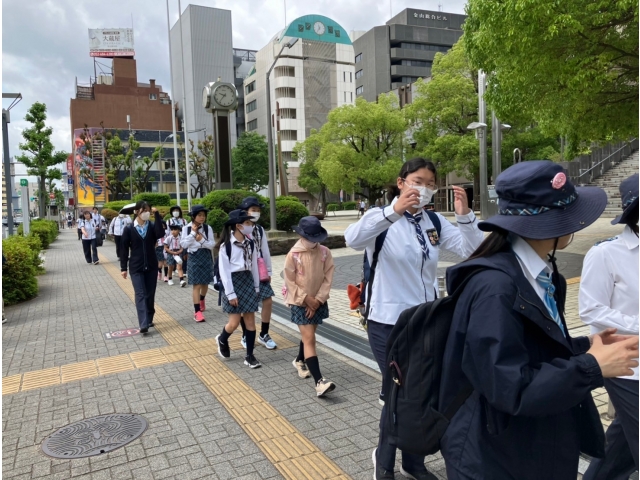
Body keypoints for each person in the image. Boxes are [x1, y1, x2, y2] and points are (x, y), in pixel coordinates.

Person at [438, 161, 639, 480]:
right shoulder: (495, 288)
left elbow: (535, 350)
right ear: (552, 223)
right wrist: (591, 366)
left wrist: (589, 346)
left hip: (532, 441)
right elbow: (509, 387)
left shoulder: (543, 276)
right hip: (497, 457)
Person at [344, 158, 483, 480]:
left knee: (422, 391)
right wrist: (393, 211)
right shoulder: (379, 219)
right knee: (398, 392)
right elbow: (352, 239)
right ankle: (385, 461)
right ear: (401, 182)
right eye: (418, 181)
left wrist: (465, 217)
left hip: (428, 320)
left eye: (431, 184)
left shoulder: (433, 220)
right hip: (387, 320)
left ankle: (413, 461)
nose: (424, 189)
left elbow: (471, 250)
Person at [581, 173, 639, 480]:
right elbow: (590, 308)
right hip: (626, 364)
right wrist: (637, 325)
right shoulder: (605, 253)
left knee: (622, 447)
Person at [284, 216, 336, 397]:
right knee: (310, 338)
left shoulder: (325, 252)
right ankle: (319, 382)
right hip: (300, 302)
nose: (313, 242)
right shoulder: (294, 254)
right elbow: (289, 281)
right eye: (310, 238)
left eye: (316, 238)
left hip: (318, 301)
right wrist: (307, 299)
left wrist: (318, 300)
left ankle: (299, 360)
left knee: (309, 335)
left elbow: (328, 277)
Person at [215, 209, 262, 368]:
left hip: (247, 281)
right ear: (238, 226)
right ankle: (222, 338)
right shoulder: (225, 247)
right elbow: (224, 272)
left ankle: (249, 356)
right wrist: (230, 293)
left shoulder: (251, 243)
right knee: (234, 322)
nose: (250, 225)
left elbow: (254, 266)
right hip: (233, 283)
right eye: (247, 223)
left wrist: (256, 287)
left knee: (250, 320)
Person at [237, 197, 277, 350]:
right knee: (245, 305)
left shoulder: (259, 230)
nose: (256, 213)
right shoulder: (238, 228)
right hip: (244, 271)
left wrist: (269, 270)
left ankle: (264, 334)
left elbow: (265, 250)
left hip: (259, 270)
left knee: (267, 300)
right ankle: (246, 334)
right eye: (253, 210)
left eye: (258, 210)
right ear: (245, 211)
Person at [120, 201, 165, 335]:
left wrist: (157, 215)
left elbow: (160, 233)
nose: (146, 212)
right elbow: (123, 249)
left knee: (149, 294)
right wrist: (123, 268)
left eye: (148, 210)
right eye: (143, 210)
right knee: (140, 294)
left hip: (151, 265)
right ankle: (143, 323)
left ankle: (150, 316)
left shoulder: (151, 226)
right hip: (136, 266)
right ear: (136, 211)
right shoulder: (129, 229)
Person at [180, 205, 215, 322]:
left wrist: (202, 240)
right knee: (196, 284)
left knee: (205, 283)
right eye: (199, 215)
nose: (202, 217)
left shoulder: (207, 228)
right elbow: (184, 245)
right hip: (193, 257)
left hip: (205, 256)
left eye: (203, 215)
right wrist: (193, 234)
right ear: (194, 216)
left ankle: (202, 300)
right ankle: (197, 312)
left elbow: (211, 245)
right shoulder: (186, 228)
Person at [167, 205, 188, 276]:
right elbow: (167, 231)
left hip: (182, 240)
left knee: (184, 255)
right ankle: (172, 269)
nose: (175, 212)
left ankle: (183, 271)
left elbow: (187, 230)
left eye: (177, 210)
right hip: (172, 240)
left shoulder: (184, 221)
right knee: (173, 254)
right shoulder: (169, 221)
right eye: (174, 211)